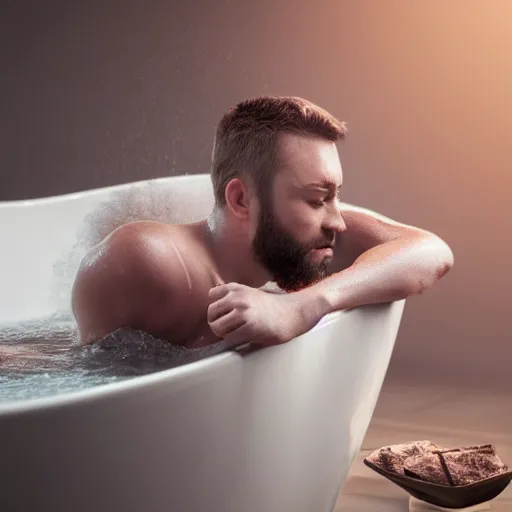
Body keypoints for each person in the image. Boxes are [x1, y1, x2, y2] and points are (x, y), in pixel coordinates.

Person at [71, 96, 454, 349]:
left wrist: (301, 307)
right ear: (241, 199)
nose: (337, 221)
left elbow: (431, 251)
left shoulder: (310, 239)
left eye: (335, 196)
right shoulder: (150, 264)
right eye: (317, 198)